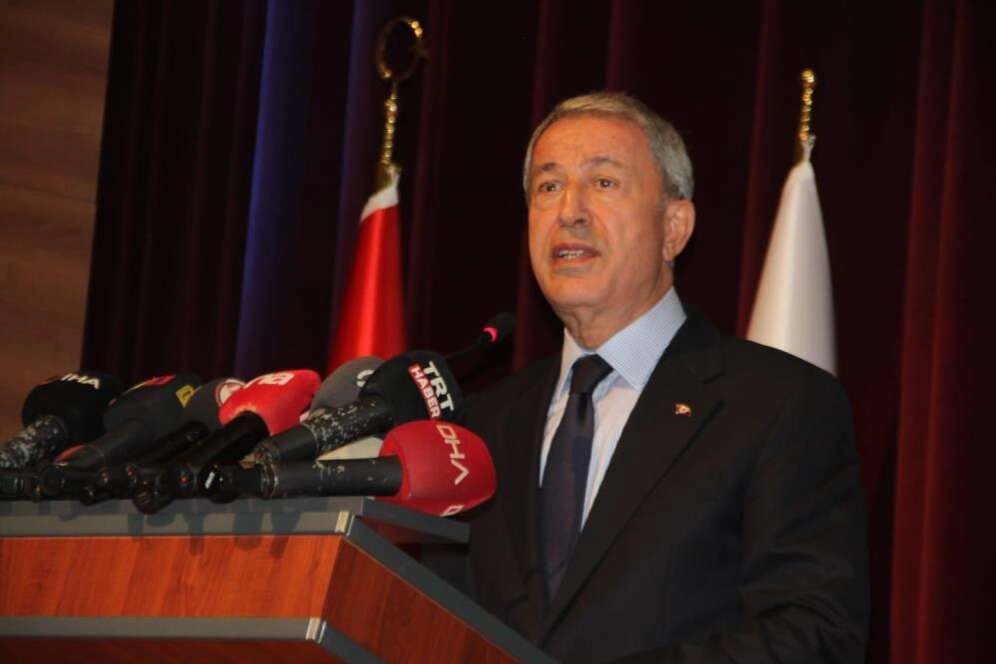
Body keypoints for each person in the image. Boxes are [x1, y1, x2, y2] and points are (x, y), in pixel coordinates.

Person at [460, 92, 869, 663]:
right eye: (548, 186)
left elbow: (814, 635)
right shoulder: (481, 425)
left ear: (674, 228)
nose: (569, 210)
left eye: (604, 182)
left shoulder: (777, 404)